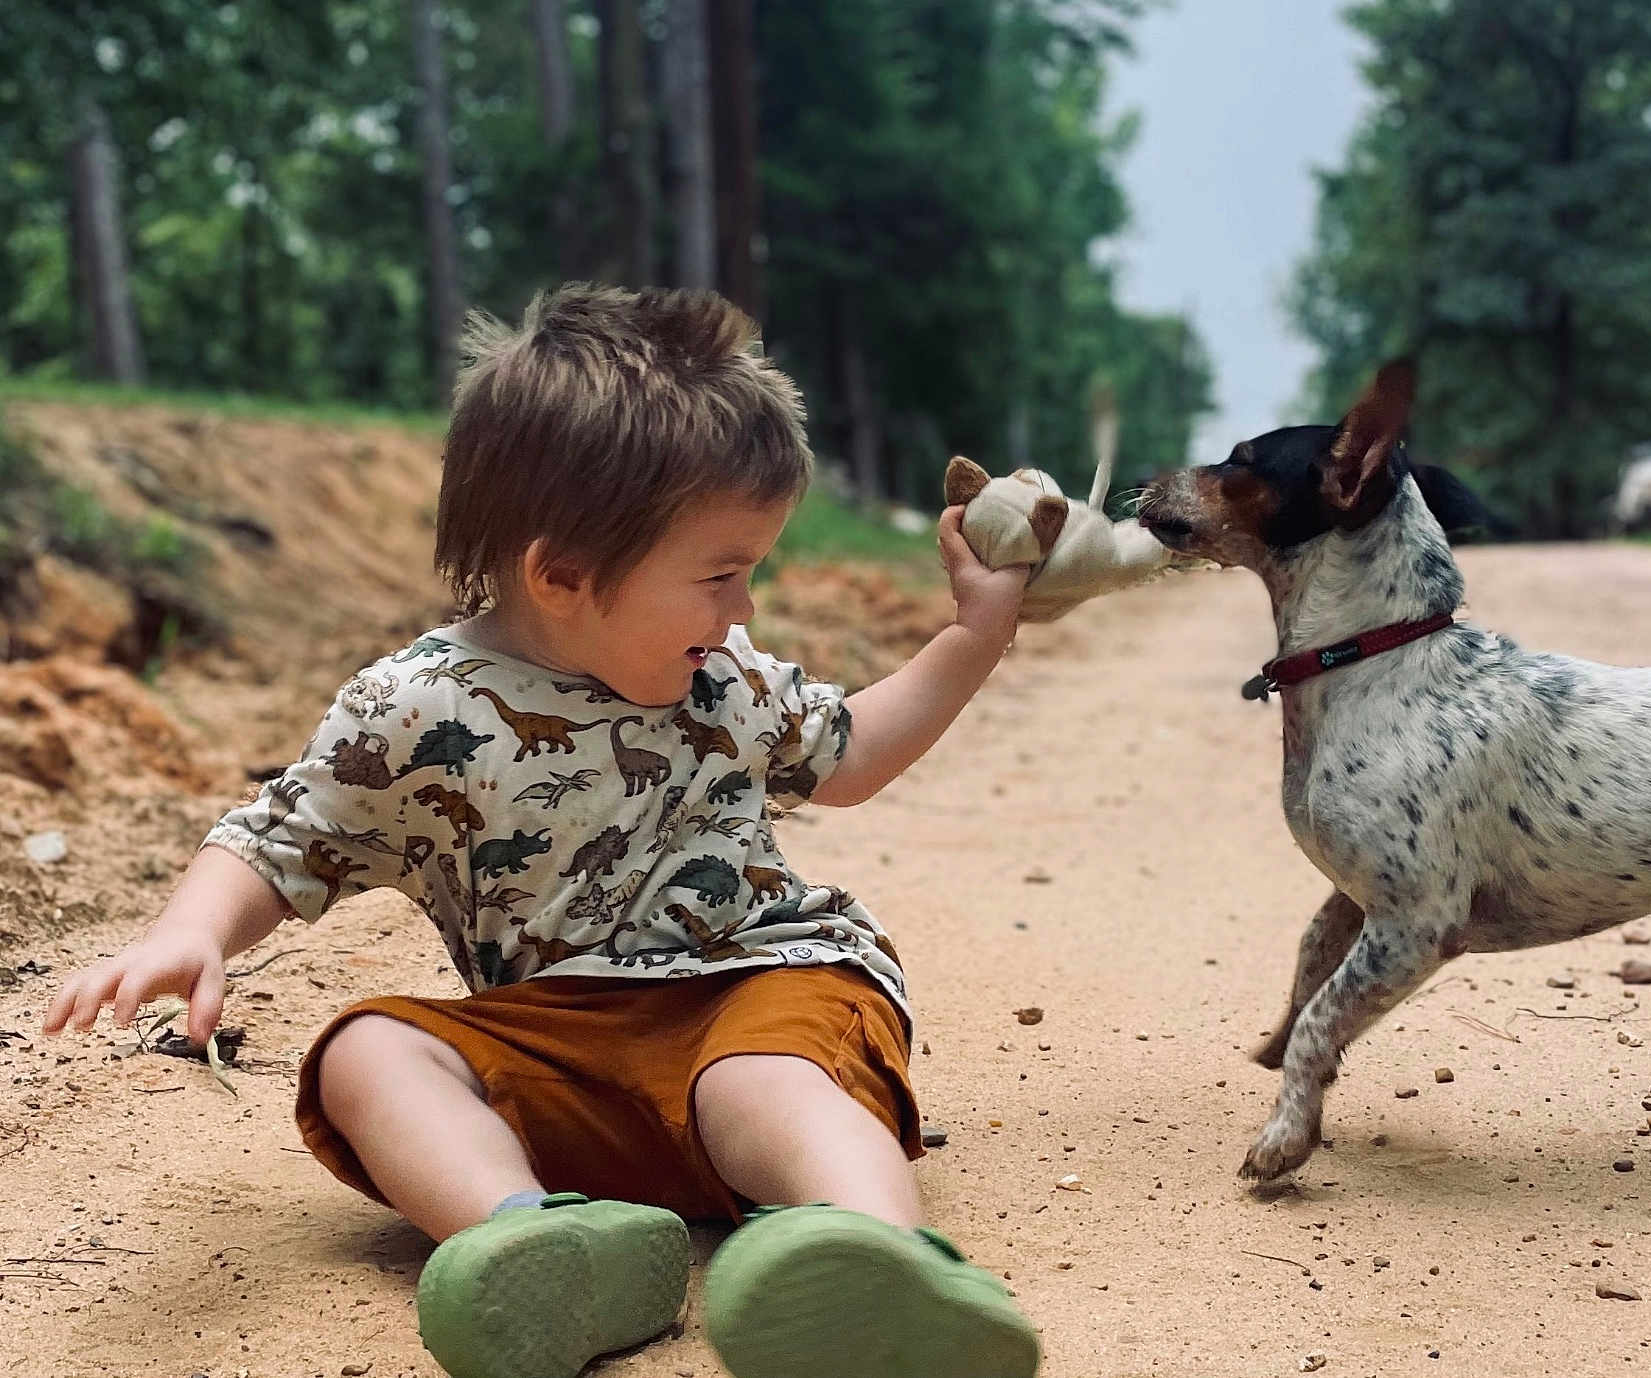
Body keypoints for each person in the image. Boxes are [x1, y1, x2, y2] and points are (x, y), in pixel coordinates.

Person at [42, 283, 1041, 1378]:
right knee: (366, 1051)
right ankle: (532, 1235)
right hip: (560, 1041)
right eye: (720, 573)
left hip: (757, 983)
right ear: (560, 572)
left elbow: (848, 754)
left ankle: (878, 1259)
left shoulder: (720, 673)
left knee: (760, 1078)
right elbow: (282, 839)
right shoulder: (416, 708)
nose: (744, 606)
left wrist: (974, 635)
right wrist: (190, 931)